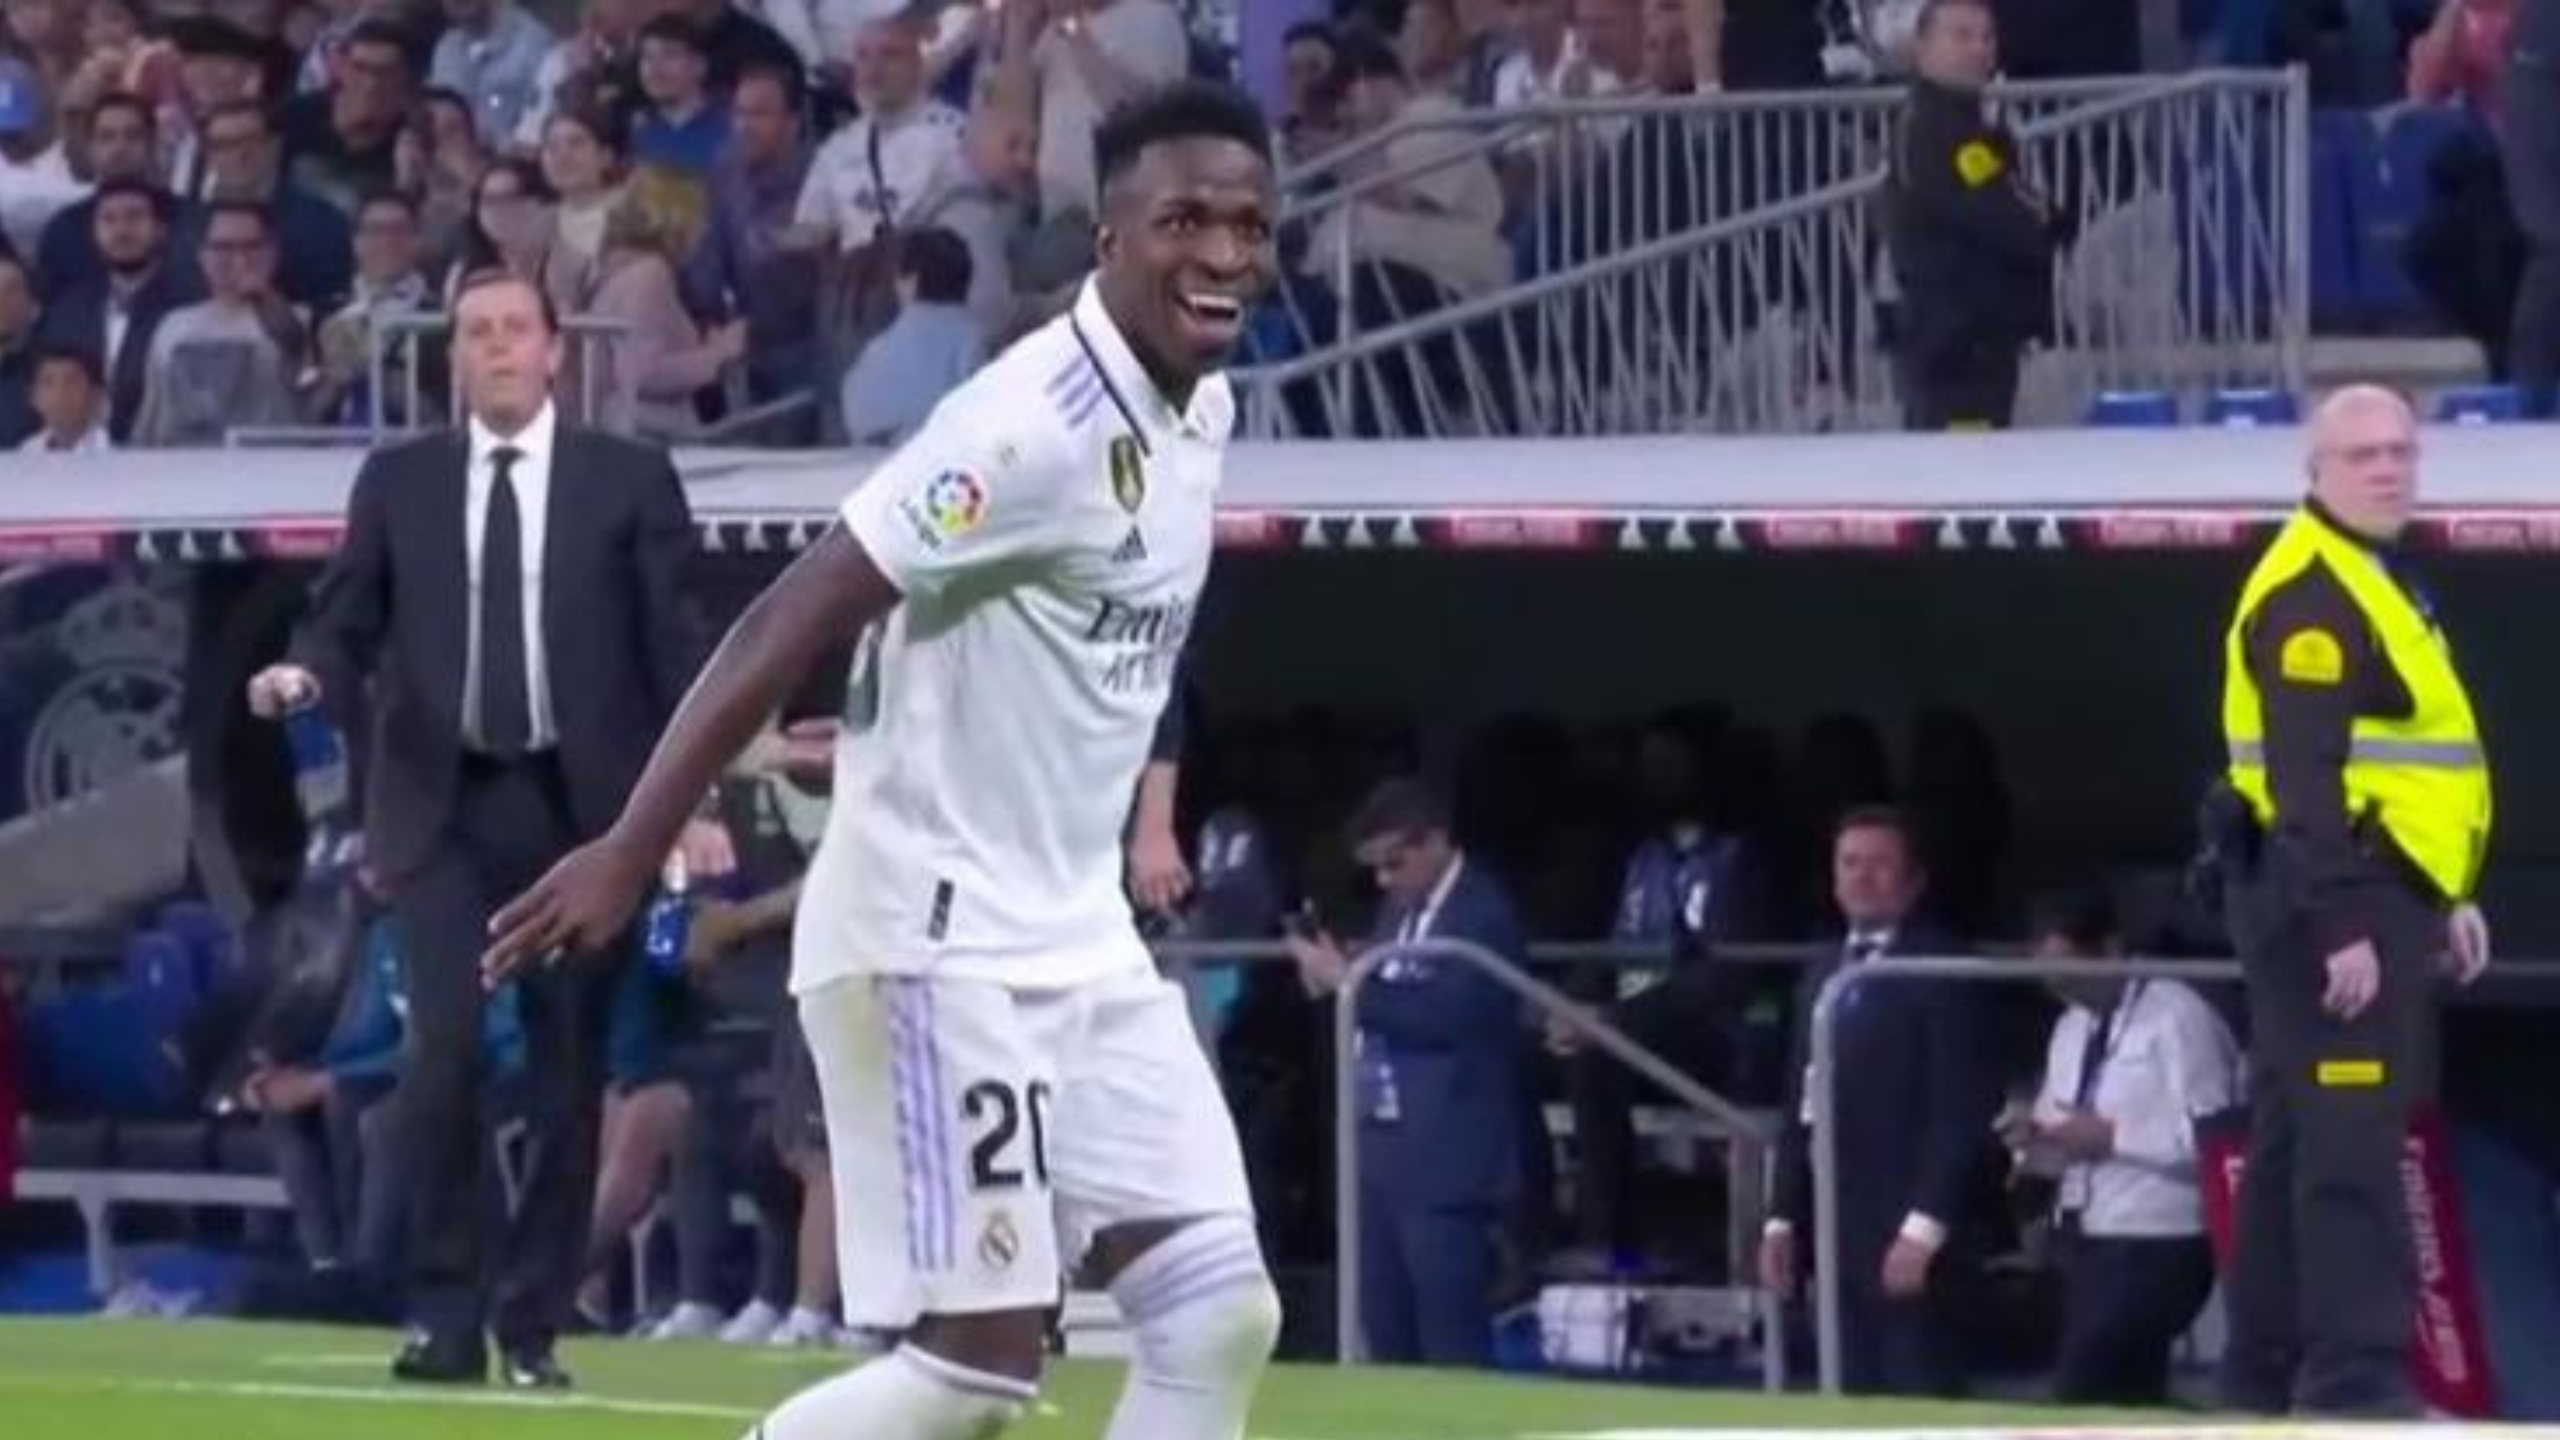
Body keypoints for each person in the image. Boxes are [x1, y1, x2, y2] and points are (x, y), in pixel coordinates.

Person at [479, 80, 1283, 1440]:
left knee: (1218, 1316)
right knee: (979, 1370)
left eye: (1249, 226)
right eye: (1183, 220)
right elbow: (780, 622)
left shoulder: (1199, 412)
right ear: (1108, 237)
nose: (1221, 252)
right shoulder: (1027, 427)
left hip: (1075, 933)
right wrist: (631, 843)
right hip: (935, 933)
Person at [244, 269, 721, 1390]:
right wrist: (303, 679)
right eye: (476, 334)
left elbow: (681, 654)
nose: (497, 348)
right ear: (454, 356)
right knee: (442, 1053)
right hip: (441, 809)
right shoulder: (400, 480)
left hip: (582, 817)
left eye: (515, 330)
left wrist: (690, 808)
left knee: (567, 1075)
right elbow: (342, 617)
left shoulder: (629, 479)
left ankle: (535, 1321)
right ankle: (446, 1314)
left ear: (554, 352)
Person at [2210, 384, 2495, 1417]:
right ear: (2314, 472)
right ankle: (2354, 1383)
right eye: (2363, 454)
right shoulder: (2314, 598)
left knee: (2299, 1136)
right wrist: (2341, 922)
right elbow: (2305, 781)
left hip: (2371, 891)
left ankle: (2262, 1373)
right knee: (2352, 1148)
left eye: (2400, 453)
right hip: (2330, 901)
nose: (2387, 469)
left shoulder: (2369, 576)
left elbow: (2402, 770)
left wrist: (2442, 890)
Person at [1283, 777, 1529, 1368]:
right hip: (1380, 1146)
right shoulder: (1398, 909)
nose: (1385, 881)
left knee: (1449, 1341)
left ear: (1436, 841)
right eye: (1376, 869)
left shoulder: (1482, 913)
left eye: (1395, 863)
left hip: (1447, 1156)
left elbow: (1449, 1016)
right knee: (1386, 1337)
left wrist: (1349, 983)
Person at [1760, 806, 2002, 1397]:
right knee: (1848, 1394)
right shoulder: (1820, 971)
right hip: (1832, 1222)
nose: (1862, 877)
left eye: (1880, 864)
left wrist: (1923, 1230)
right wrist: (1781, 1217)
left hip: (1909, 1227)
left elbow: (1959, 1111)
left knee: (1917, 1392)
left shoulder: (1941, 967)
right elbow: (1799, 1101)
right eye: (1850, 863)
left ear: (1915, 879)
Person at [1997, 888, 2240, 1406]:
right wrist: (2032, 1141)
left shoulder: (2178, 1017)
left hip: (2159, 1242)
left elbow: (2216, 1139)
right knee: (2128, 1397)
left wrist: (2116, 1138)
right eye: (2044, 968)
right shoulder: (2069, 1026)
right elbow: (2060, 1126)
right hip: (2082, 1240)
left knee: (2081, 1389)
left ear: (2109, 949)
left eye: (2067, 965)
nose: (2056, 982)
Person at [1883, 0, 2066, 431]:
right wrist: (2042, 222)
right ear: (1923, 46)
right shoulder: (1933, 127)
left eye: (1986, 38)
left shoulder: (1976, 127)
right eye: (1961, 36)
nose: (1978, 49)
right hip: (1953, 342)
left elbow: (2027, 205)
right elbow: (2002, 214)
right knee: (1959, 472)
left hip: (1985, 338)